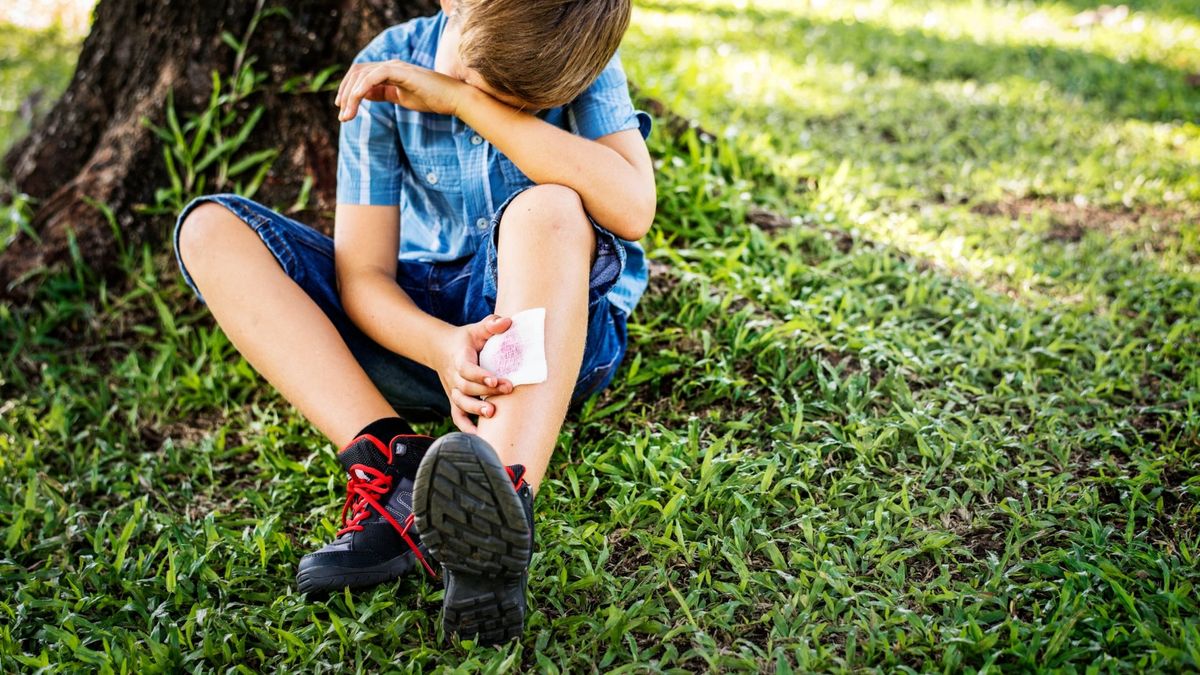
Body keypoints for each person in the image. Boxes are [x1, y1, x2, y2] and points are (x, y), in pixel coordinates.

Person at [172, 0, 654, 645]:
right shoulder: (381, 76)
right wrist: (440, 345)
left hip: (551, 340)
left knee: (548, 210)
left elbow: (631, 208)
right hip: (418, 334)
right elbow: (363, 279)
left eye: (522, 107)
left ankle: (500, 505)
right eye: (490, 90)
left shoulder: (578, 48)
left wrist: (466, 102)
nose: (503, 111)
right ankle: (392, 468)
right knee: (210, 229)